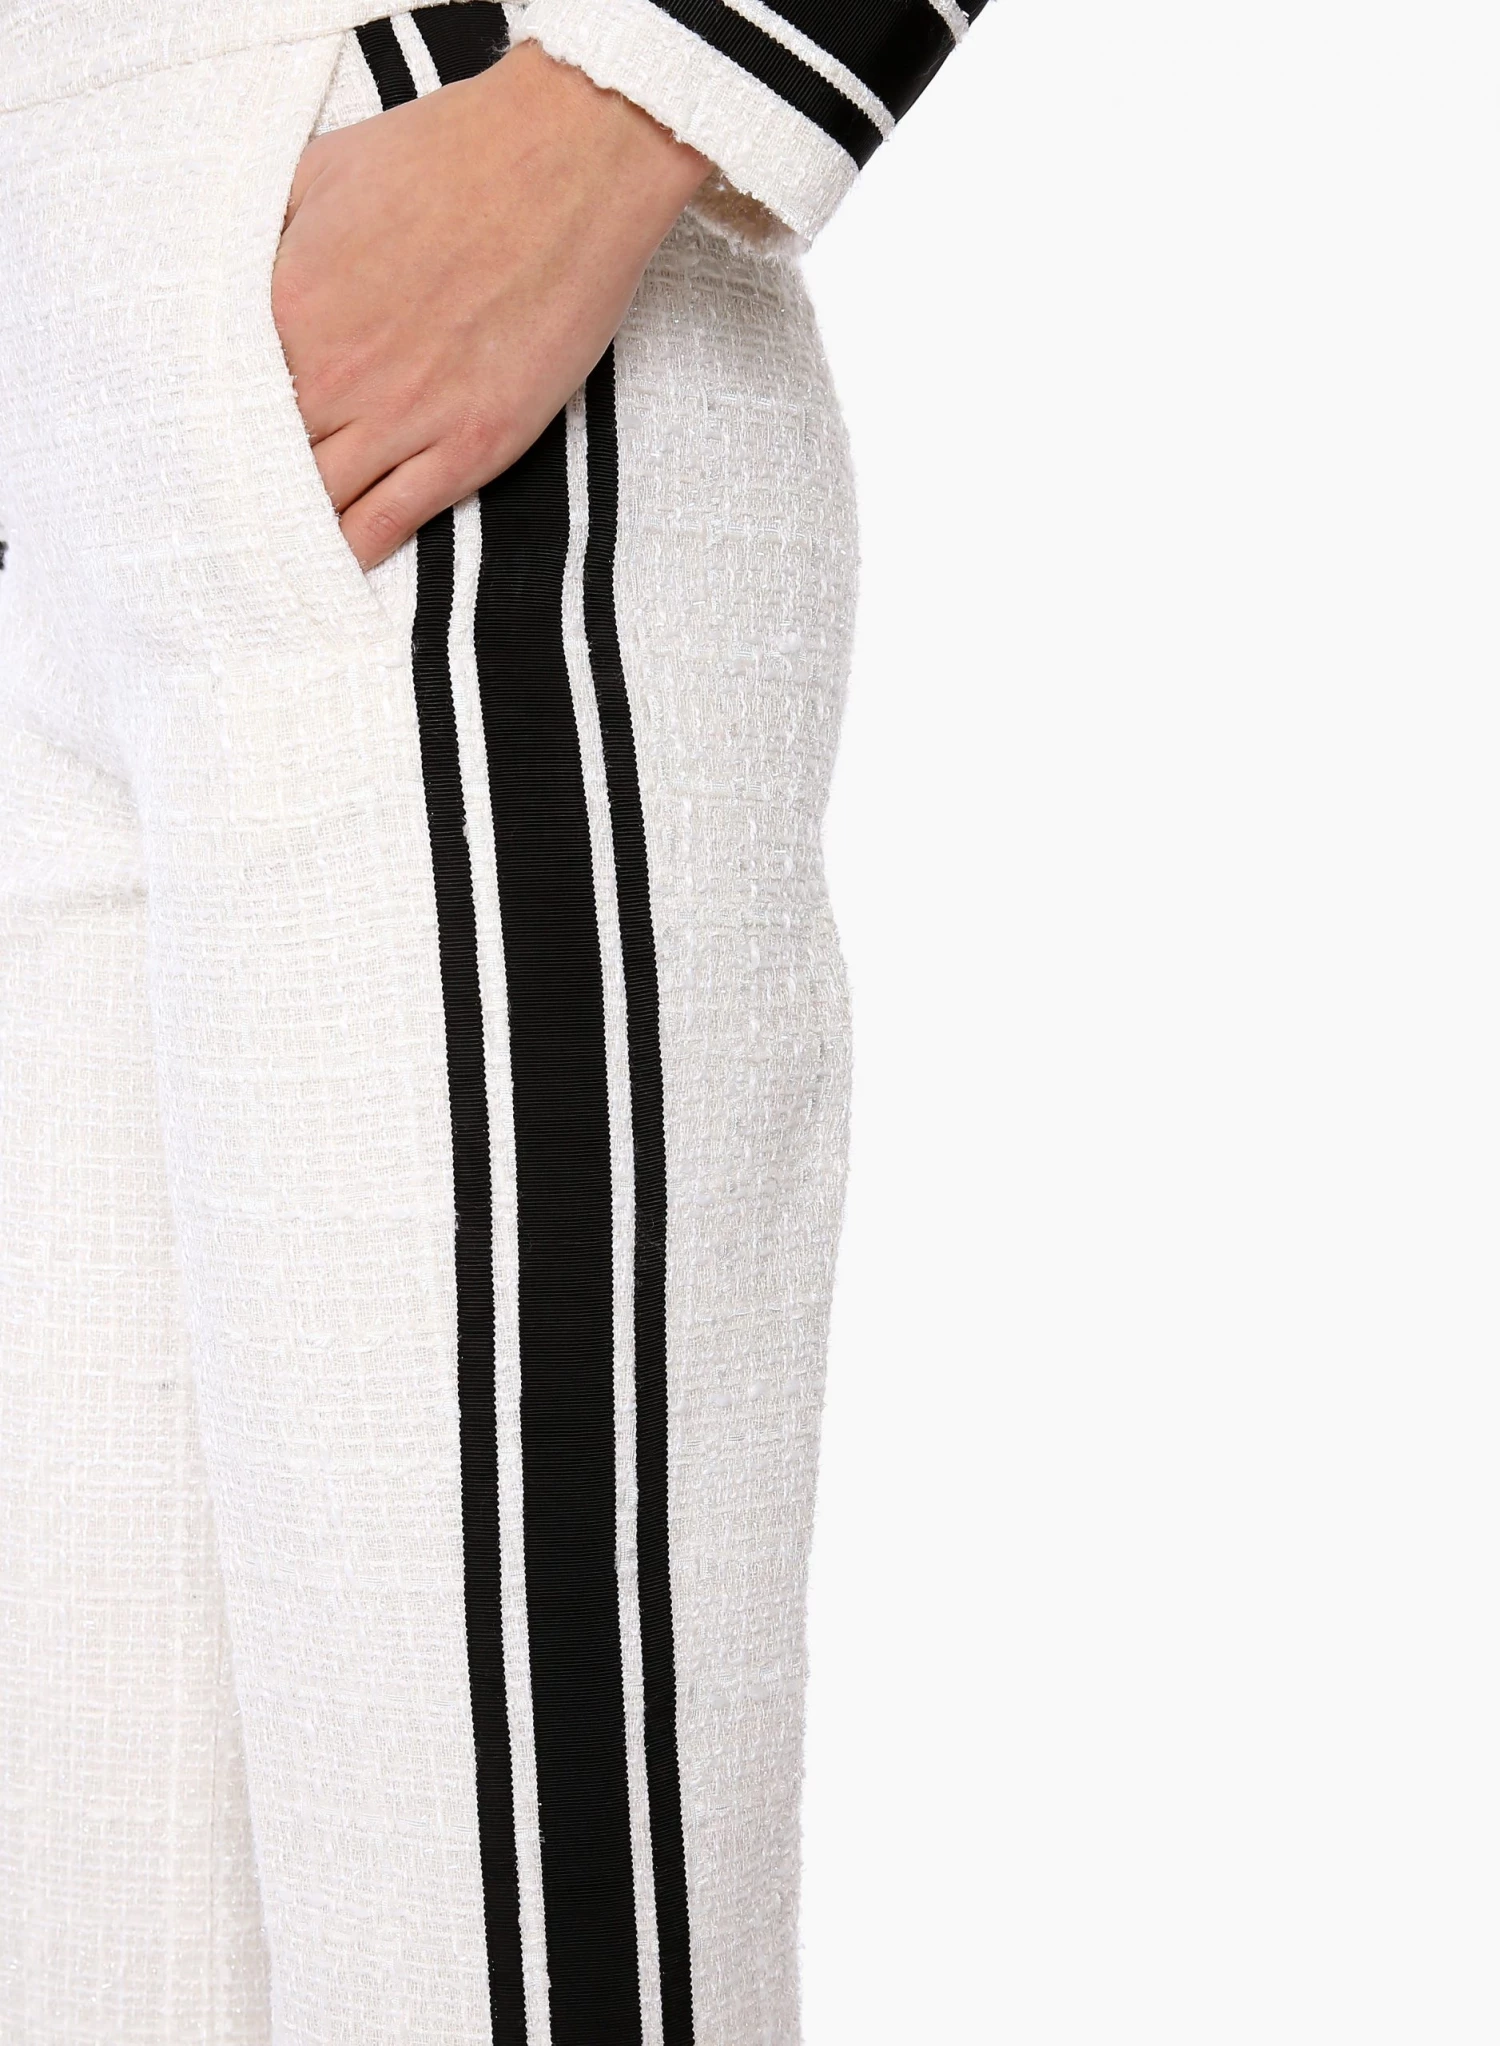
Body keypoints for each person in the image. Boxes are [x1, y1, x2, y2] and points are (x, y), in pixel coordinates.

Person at [0, 3, 987, 2040]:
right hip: (53, 305)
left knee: (493, 1953)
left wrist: (629, 106)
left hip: (396, 233)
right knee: (89, 1929)